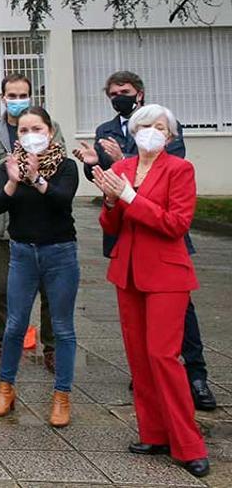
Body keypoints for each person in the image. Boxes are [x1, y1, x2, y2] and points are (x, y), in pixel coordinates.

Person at [74, 71, 216, 411]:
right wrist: (101, 175)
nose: (118, 97)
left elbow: (170, 183)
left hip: (165, 250)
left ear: (139, 93)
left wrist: (125, 179)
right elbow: (110, 184)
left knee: (178, 322)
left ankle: (196, 376)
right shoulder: (106, 132)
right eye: (112, 93)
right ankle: (148, 404)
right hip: (129, 248)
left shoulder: (167, 134)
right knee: (139, 340)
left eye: (124, 91)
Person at [91, 104, 209, 478]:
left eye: (160, 127)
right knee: (139, 358)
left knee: (163, 356)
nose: (151, 131)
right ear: (133, 131)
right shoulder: (122, 169)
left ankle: (188, 444)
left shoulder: (180, 169)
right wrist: (111, 201)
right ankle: (154, 432)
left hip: (167, 276)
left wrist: (129, 198)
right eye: (145, 125)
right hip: (127, 272)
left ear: (170, 137)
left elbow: (176, 224)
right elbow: (111, 224)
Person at [0, 106, 79, 428]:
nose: (30, 136)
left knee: (63, 328)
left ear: (49, 132)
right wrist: (14, 181)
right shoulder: (9, 166)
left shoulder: (66, 166)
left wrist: (36, 178)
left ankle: (61, 396)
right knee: (14, 326)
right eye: (24, 131)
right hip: (22, 253)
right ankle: (5, 389)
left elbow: (61, 200)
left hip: (60, 254)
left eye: (36, 129)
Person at [0, 74, 64, 371]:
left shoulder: (47, 126)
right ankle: (4, 344)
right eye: (11, 96)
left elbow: (61, 164)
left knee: (50, 291)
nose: (17, 101)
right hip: (4, 222)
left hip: (44, 220)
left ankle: (52, 347)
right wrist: (9, 163)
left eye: (22, 95)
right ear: (3, 98)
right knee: (3, 288)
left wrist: (36, 163)